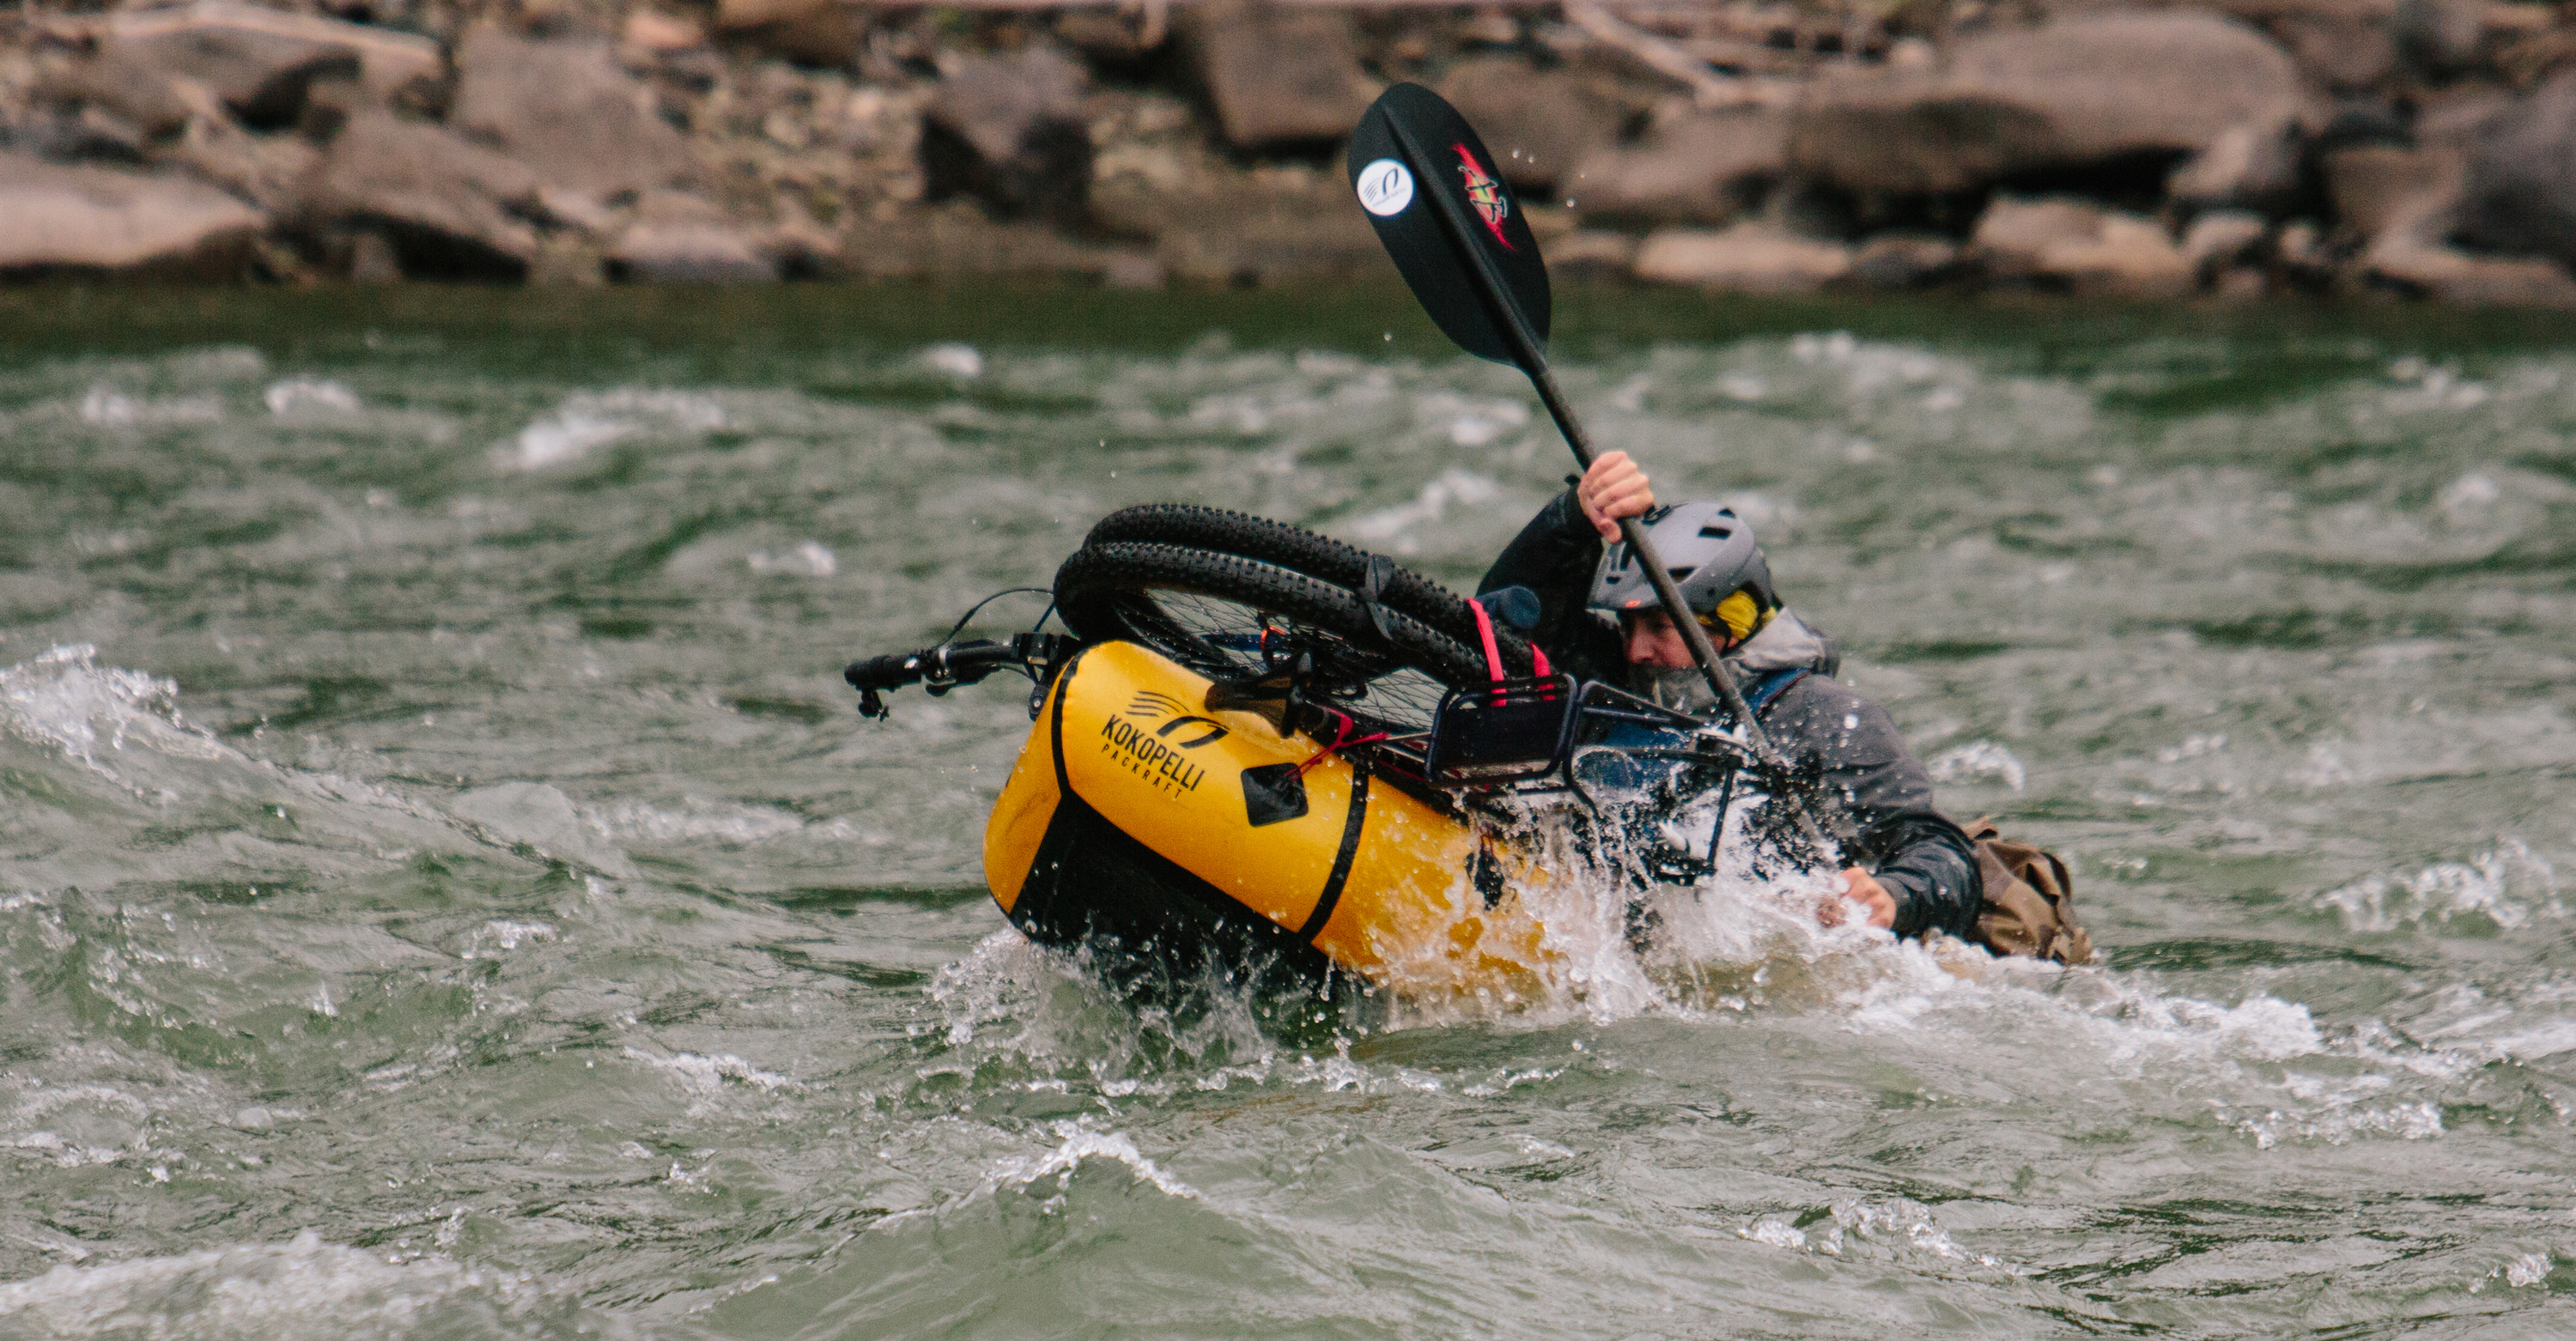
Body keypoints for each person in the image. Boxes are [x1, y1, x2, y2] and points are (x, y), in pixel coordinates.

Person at [1476, 452, 1981, 939]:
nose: (1635, 650)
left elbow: (1941, 851)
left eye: (1658, 626)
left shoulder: (1825, 719)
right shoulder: (1609, 675)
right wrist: (1573, 519)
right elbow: (1502, 624)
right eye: (1627, 624)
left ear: (1732, 624)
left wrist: (1893, 896)